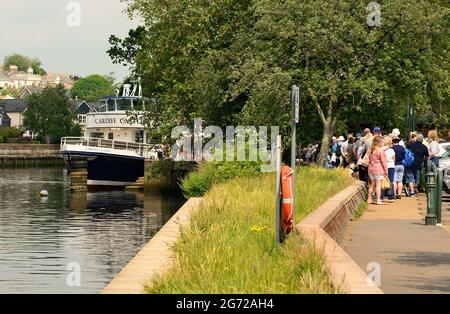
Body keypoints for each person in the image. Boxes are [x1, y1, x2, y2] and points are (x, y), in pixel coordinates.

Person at [368, 136, 388, 205]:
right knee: (378, 185)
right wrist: (386, 170)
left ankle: (369, 198)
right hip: (378, 169)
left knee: (372, 184)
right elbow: (383, 161)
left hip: (371, 169)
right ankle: (378, 200)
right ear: (379, 142)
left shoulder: (370, 149)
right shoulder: (380, 150)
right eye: (381, 142)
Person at [382, 136, 396, 202]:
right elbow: (394, 159)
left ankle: (381, 196)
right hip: (391, 166)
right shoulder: (391, 150)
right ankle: (390, 196)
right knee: (391, 181)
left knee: (382, 180)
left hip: (383, 166)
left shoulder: (381, 149)